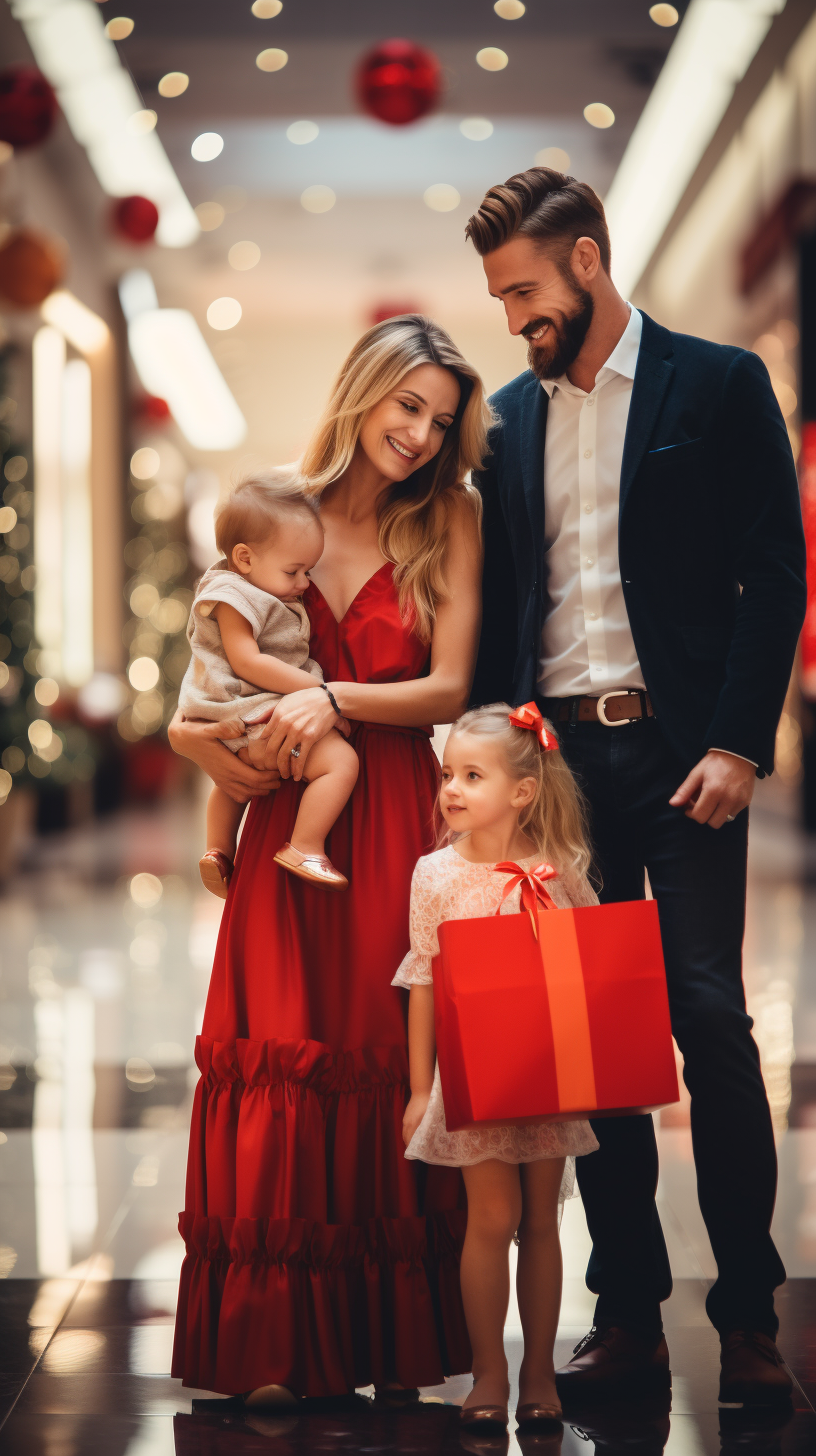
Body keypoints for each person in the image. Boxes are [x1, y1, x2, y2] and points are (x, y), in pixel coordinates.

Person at [465, 167, 806, 1406]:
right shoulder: (506, 417)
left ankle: (753, 1315)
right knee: (593, 1046)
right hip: (559, 765)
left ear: (590, 261)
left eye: (523, 290)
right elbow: (509, 601)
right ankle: (630, 1313)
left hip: (684, 756)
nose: (513, 317)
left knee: (710, 1018)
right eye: (498, 296)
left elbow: (776, 572)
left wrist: (736, 742)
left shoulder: (716, 384)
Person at [169, 315, 490, 1404]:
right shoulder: (275, 508)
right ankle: (270, 1344)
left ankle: (384, 1346)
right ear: (364, 392)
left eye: (441, 421)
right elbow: (208, 671)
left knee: (382, 1054)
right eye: (408, 405)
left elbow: (448, 688)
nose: (419, 434)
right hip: (287, 828)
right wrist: (205, 751)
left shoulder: (450, 515)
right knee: (284, 1049)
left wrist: (332, 696)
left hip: (394, 814)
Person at [396, 702, 599, 1433]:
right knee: (491, 1219)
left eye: (471, 775)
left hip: (546, 1075)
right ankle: (490, 1368)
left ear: (521, 792)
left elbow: (588, 976)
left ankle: (540, 1369)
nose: (450, 788)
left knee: (541, 1221)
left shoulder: (561, 872)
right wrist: (422, 1088)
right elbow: (422, 981)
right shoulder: (434, 875)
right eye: (447, 773)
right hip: (473, 1080)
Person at [179, 473, 359, 895]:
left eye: (308, 570)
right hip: (249, 709)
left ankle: (218, 851)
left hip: (232, 717)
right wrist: (320, 694)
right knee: (341, 764)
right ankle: (305, 845)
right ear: (244, 558)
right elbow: (248, 661)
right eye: (294, 571)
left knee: (234, 783)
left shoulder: (253, 585)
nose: (304, 583)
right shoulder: (233, 595)